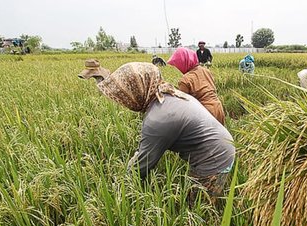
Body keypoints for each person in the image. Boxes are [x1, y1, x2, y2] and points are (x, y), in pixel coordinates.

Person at [78, 61, 236, 200]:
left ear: (137, 91)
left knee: (196, 206)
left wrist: (118, 189)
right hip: (222, 146)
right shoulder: (169, 94)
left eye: (125, 95)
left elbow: (142, 165)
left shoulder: (158, 118)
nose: (124, 101)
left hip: (215, 159)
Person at [167, 47, 226, 124]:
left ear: (183, 62)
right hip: (218, 108)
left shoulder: (185, 80)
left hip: (204, 113)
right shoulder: (206, 71)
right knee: (219, 135)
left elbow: (182, 104)